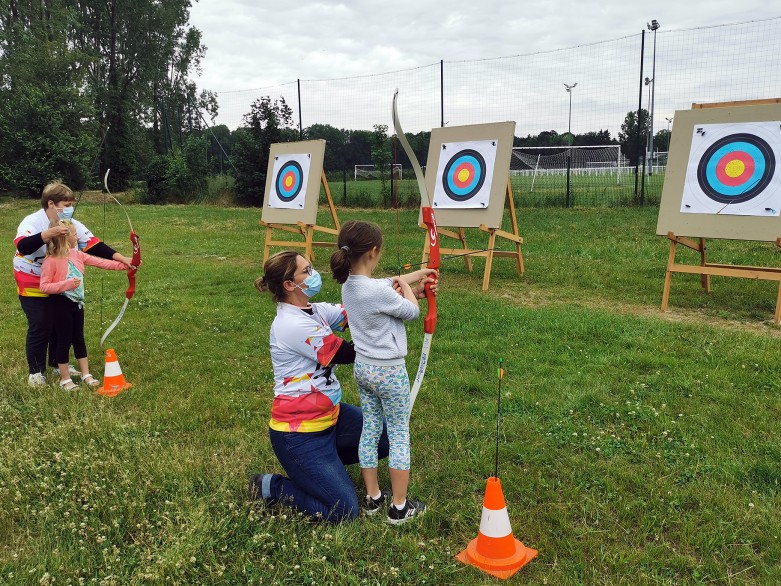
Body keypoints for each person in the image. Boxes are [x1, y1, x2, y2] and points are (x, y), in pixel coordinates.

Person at [249, 250, 434, 523]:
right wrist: (400, 304)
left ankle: (325, 468)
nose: (314, 274)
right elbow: (348, 353)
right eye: (306, 271)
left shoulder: (316, 310)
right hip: (298, 436)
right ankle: (272, 486)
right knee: (343, 510)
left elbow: (363, 309)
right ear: (289, 285)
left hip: (332, 418)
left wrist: (408, 294)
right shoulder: (291, 324)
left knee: (383, 437)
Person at [330, 220, 437, 525]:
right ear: (374, 252)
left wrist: (417, 279)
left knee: (371, 428)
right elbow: (412, 311)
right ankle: (400, 507)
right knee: (400, 433)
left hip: (364, 370)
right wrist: (409, 290)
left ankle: (373, 497)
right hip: (389, 372)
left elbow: (388, 286)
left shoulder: (349, 285)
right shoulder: (379, 291)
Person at [13, 181, 135, 386]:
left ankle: (56, 365)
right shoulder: (32, 221)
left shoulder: (72, 225)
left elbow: (93, 245)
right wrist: (48, 234)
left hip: (62, 281)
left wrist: (122, 259)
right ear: (51, 204)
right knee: (41, 323)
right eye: (65, 204)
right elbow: (23, 246)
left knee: (60, 324)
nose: (69, 208)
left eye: (71, 204)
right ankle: (35, 372)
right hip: (32, 277)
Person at [39, 221, 130, 390]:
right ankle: (65, 379)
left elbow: (102, 262)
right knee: (64, 340)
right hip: (60, 304)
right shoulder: (50, 261)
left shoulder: (77, 254)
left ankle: (85, 373)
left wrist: (126, 265)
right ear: (64, 239)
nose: (77, 237)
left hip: (77, 304)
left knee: (79, 339)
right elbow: (44, 286)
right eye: (74, 235)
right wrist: (66, 284)